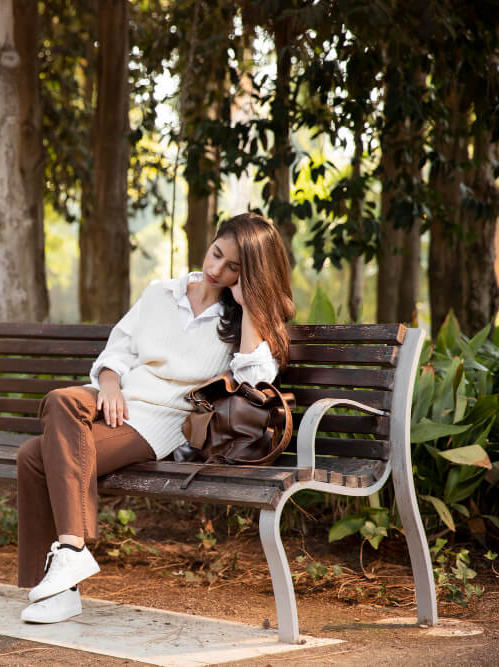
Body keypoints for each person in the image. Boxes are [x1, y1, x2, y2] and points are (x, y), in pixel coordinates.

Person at [16, 212, 295, 624]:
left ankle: (62, 588)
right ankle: (71, 555)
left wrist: (249, 304)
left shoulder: (243, 318)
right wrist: (109, 384)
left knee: (32, 456)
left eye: (233, 267)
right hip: (118, 401)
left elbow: (256, 381)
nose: (216, 269)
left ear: (249, 272)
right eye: (216, 253)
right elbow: (117, 352)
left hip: (160, 422)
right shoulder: (160, 293)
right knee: (61, 399)